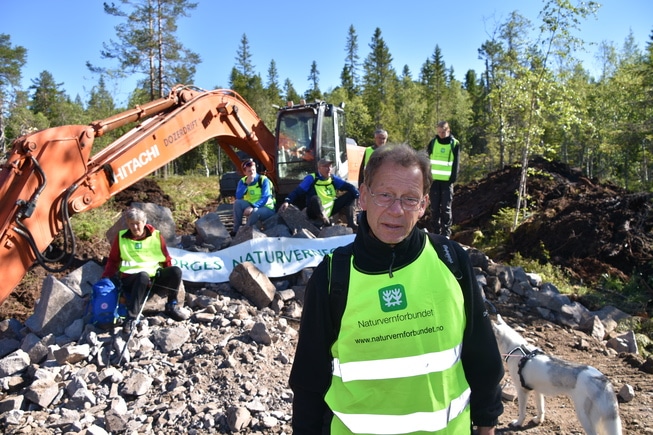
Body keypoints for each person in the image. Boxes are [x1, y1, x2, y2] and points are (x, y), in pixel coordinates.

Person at [289, 143, 503, 434]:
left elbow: (482, 353)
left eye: (410, 199)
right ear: (363, 196)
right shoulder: (332, 275)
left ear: (424, 205)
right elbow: (309, 379)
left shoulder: (451, 261)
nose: (396, 210)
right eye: (385, 195)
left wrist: (487, 421)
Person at [102, 207, 189, 334]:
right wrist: (105, 277)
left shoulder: (156, 236)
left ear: (144, 222)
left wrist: (169, 275)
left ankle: (171, 305)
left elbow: (166, 258)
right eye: (132, 224)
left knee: (175, 271)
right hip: (130, 280)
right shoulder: (121, 237)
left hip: (153, 279)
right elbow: (113, 261)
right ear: (128, 224)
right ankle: (131, 318)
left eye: (138, 224)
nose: (135, 227)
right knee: (142, 275)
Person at [279, 157, 359, 229]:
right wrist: (287, 201)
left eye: (330, 166)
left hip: (330, 209)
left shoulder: (333, 178)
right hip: (314, 211)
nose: (329, 169)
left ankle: (352, 223)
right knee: (315, 198)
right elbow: (297, 191)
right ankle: (326, 221)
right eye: (326, 167)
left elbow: (349, 187)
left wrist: (358, 196)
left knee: (351, 193)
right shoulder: (312, 178)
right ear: (319, 168)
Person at [427, 121, 460, 238]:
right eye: (439, 132)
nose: (441, 134)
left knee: (446, 208)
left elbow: (456, 162)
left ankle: (446, 233)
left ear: (448, 130)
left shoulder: (454, 144)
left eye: (444, 132)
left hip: (447, 182)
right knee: (434, 208)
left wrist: (453, 178)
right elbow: (427, 159)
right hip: (434, 181)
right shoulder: (433, 142)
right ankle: (435, 232)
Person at [232, 158, 276, 235]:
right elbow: (238, 196)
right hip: (251, 205)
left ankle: (245, 232)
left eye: (253, 170)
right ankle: (236, 230)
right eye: (249, 171)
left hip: (267, 208)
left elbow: (265, 197)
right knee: (237, 203)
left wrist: (252, 206)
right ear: (245, 172)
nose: (252, 173)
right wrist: (246, 184)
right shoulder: (242, 181)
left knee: (255, 212)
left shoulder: (263, 180)